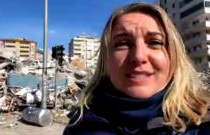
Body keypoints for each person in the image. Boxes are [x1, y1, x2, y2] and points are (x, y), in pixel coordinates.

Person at [63, 3, 210, 135]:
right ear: (106, 61)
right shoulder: (79, 128)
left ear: (173, 57)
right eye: (122, 43)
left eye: (155, 42)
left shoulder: (203, 123)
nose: (138, 57)